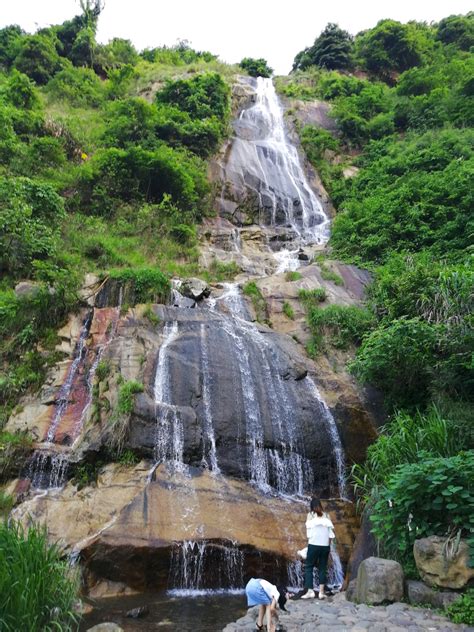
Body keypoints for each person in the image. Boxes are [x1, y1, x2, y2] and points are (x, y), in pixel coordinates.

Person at [300, 497, 335, 600]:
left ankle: (310, 591)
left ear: (311, 507)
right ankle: (321, 592)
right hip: (325, 546)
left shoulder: (310, 515)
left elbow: (309, 532)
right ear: (320, 505)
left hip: (313, 545)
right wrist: (328, 545)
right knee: (322, 568)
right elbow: (330, 533)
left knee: (309, 566)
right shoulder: (327, 516)